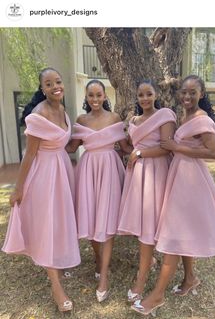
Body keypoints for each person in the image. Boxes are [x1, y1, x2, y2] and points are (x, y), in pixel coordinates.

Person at [131, 75, 215, 316]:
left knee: (174, 234)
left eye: (192, 92)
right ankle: (190, 278)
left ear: (202, 94)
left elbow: (212, 152)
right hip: (179, 176)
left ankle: (156, 296)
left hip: (191, 182)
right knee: (183, 231)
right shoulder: (184, 116)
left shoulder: (202, 119)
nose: (187, 96)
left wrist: (176, 147)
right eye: (184, 92)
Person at [2, 68, 81, 312]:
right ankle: (56, 287)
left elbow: (64, 145)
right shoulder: (39, 115)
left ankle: (59, 262)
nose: (55, 86)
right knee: (48, 224)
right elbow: (29, 155)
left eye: (58, 81)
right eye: (49, 84)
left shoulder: (62, 110)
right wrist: (18, 187)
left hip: (62, 170)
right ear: (42, 88)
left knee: (60, 221)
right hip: (44, 175)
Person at [66, 79, 132, 302]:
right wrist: (46, 144)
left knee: (107, 219)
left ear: (105, 96)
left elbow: (124, 149)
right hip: (87, 170)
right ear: (86, 97)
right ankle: (98, 257)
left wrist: (147, 148)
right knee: (91, 218)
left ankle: (103, 276)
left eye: (98, 95)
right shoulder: (81, 120)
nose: (95, 99)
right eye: (91, 95)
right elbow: (72, 148)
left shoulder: (114, 118)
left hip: (110, 170)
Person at [117, 80, 176, 302]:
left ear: (156, 94)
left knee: (151, 223)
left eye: (149, 94)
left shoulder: (165, 115)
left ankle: (141, 280)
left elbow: (165, 147)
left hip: (157, 172)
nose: (145, 99)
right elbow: (131, 145)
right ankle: (147, 263)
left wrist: (139, 154)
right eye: (141, 95)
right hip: (138, 175)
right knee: (142, 223)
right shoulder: (134, 120)